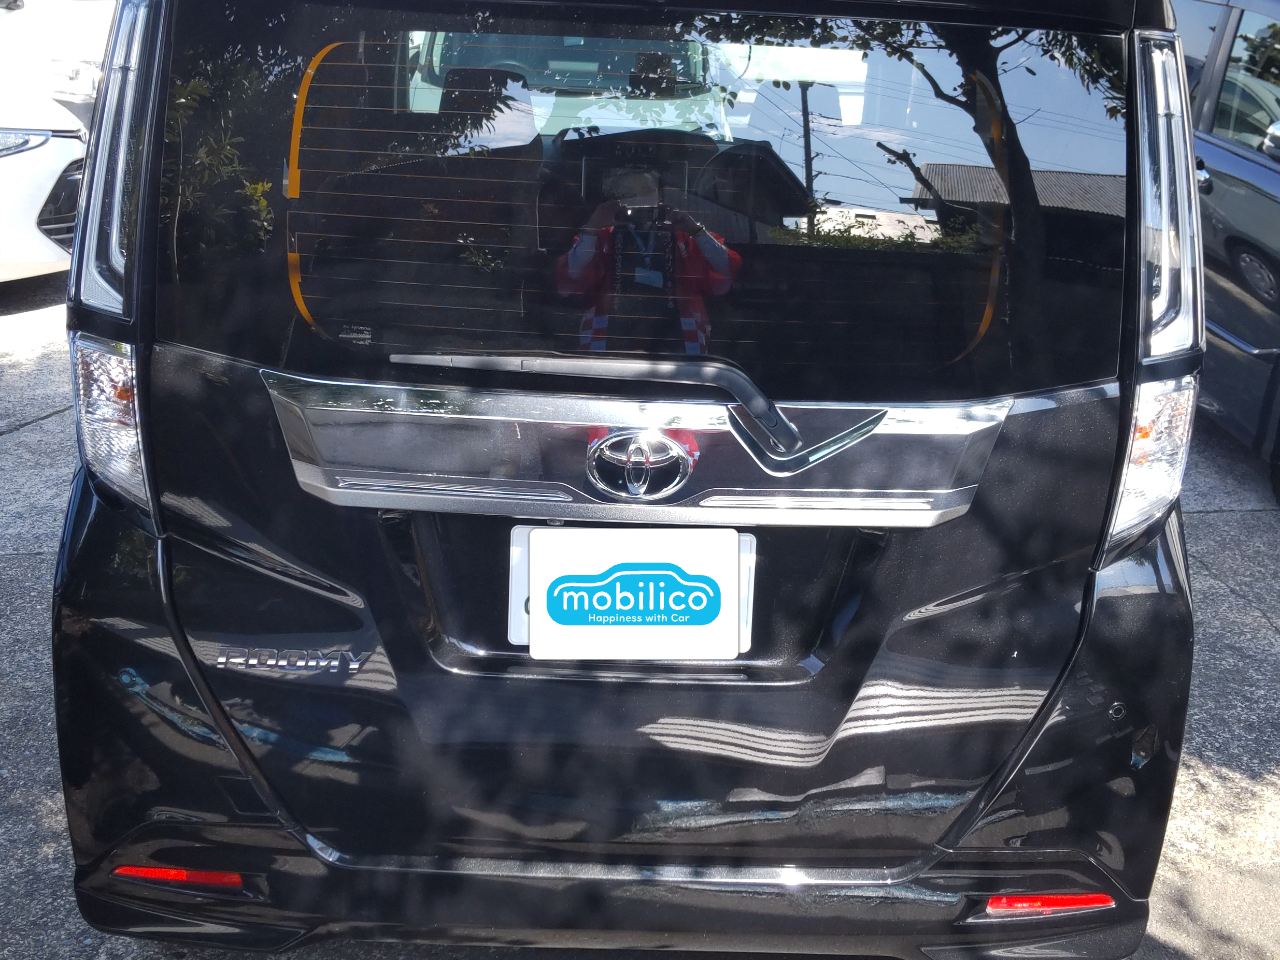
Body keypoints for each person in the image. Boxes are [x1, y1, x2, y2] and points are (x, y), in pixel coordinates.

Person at [555, 170, 741, 354]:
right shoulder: (602, 237)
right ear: (617, 199)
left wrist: (696, 231)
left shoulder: (683, 235)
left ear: (659, 194)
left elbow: (726, 268)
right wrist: (592, 227)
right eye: (628, 192)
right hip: (607, 344)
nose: (638, 197)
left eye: (645, 190)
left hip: (680, 343)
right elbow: (570, 277)